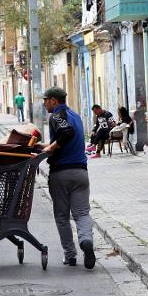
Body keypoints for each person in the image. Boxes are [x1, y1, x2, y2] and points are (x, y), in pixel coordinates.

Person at [37, 86, 96, 269]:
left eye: (46, 100)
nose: (44, 103)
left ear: (54, 101)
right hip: (81, 173)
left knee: (62, 216)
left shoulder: (56, 115)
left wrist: (50, 149)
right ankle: (86, 240)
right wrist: (44, 145)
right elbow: (69, 136)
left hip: (61, 174)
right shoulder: (76, 116)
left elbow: (66, 133)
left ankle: (70, 256)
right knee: (82, 213)